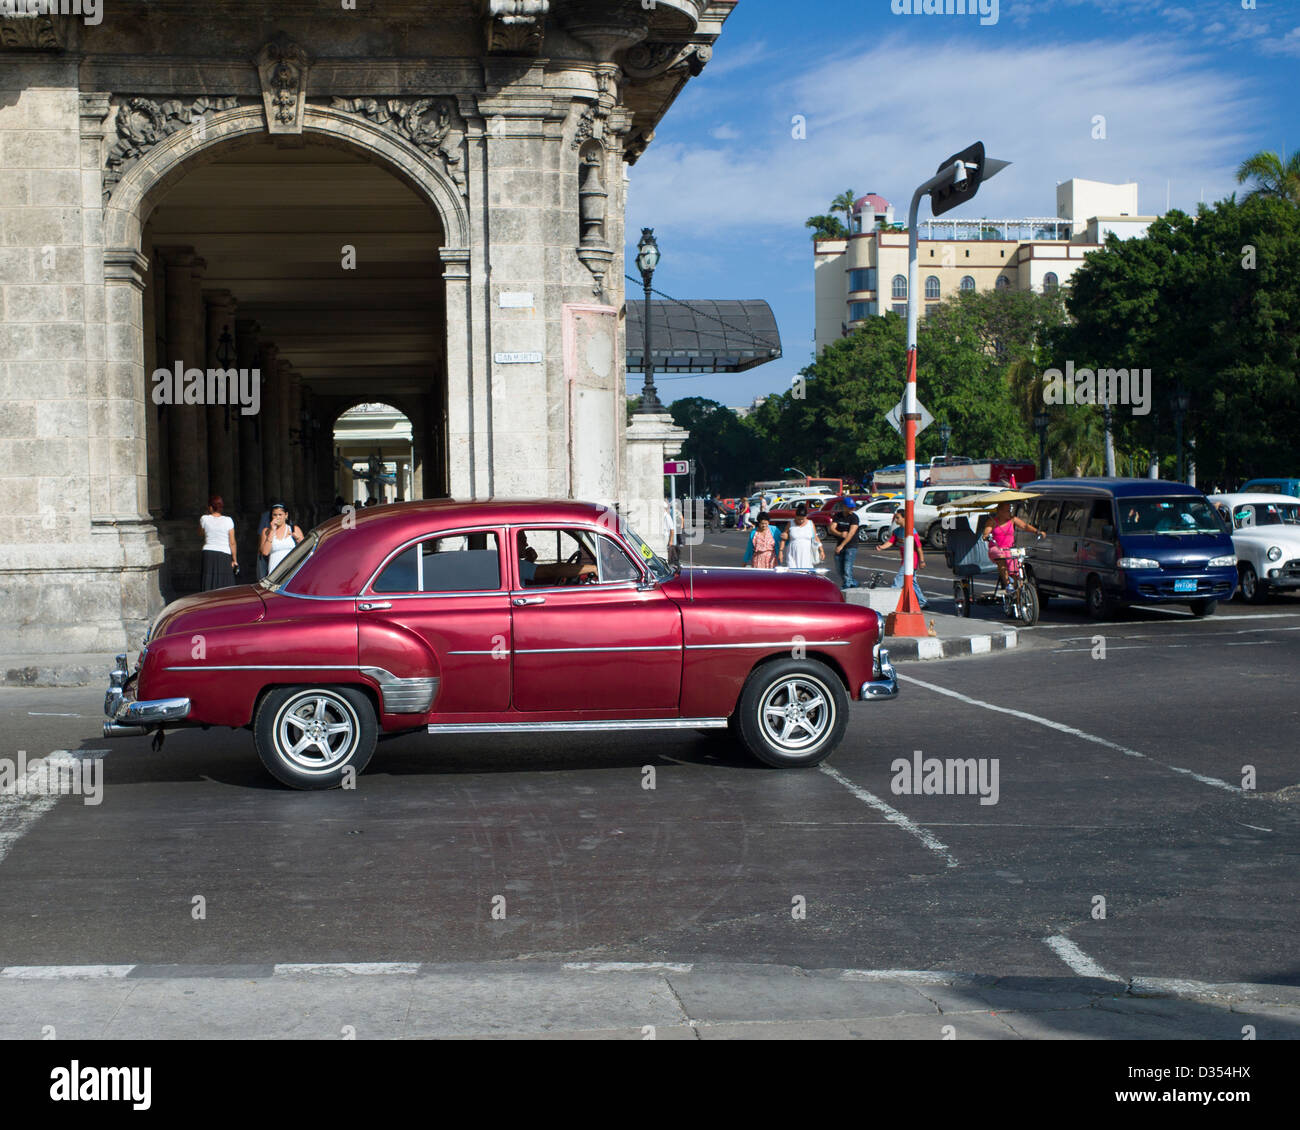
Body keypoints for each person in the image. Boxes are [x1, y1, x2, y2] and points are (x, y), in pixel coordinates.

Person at [978, 501, 1041, 593]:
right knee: (1001, 556)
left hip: (1010, 548)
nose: (1009, 513)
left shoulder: (1012, 519)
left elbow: (1024, 526)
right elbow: (986, 532)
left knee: (1016, 562)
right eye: (1007, 511)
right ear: (999, 511)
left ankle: (1016, 588)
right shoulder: (992, 521)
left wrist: (1037, 531)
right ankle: (1008, 584)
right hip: (996, 548)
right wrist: (986, 536)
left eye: (1009, 511)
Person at [880, 509, 927, 608]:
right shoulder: (897, 531)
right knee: (912, 582)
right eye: (895, 518)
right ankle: (923, 602)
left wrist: (922, 561)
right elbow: (891, 542)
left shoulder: (911, 531)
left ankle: (891, 603)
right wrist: (882, 547)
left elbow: (918, 547)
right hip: (904, 560)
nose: (896, 520)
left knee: (898, 581)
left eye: (898, 518)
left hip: (911, 560)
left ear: (904, 518)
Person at [199, 495, 238, 590]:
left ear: (210, 507)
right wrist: (234, 560)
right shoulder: (228, 520)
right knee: (225, 583)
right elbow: (232, 542)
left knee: (209, 581)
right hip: (224, 553)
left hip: (208, 553)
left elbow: (201, 533)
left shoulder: (204, 518)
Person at [260, 502, 304, 574]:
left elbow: (306, 548)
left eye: (280, 515)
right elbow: (265, 552)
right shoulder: (266, 531)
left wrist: (297, 538)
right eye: (275, 515)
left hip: (292, 571)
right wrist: (272, 531)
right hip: (274, 573)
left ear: (286, 515)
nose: (278, 517)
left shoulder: (294, 529)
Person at [779, 502, 824, 569]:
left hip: (806, 554)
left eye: (802, 519)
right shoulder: (790, 523)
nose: (800, 521)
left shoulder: (810, 523)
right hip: (792, 553)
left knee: (805, 573)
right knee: (793, 573)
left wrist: (821, 550)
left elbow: (815, 537)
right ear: (795, 516)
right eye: (798, 519)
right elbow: (784, 538)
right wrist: (781, 551)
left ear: (806, 516)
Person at [828, 497, 860, 590]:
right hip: (840, 544)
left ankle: (847, 585)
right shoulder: (838, 516)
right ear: (844, 507)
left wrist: (842, 545)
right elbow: (831, 529)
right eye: (850, 507)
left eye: (853, 507)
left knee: (847, 567)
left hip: (851, 545)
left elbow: (851, 533)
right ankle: (852, 582)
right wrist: (840, 534)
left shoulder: (854, 517)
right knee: (839, 568)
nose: (852, 509)